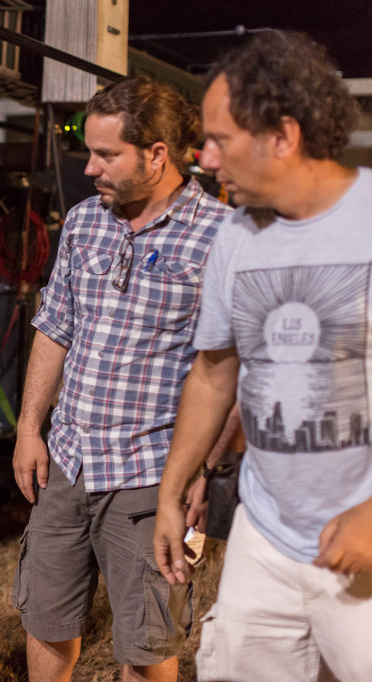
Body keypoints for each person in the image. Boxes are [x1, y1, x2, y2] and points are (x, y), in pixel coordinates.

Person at [153, 32, 372, 682]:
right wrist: (171, 492)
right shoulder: (235, 239)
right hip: (266, 538)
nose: (203, 156)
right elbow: (214, 372)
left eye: (220, 139)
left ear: (283, 135)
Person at [10, 76, 232, 682]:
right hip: (68, 461)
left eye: (107, 155)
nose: (89, 169)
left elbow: (231, 370)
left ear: (157, 154)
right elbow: (56, 327)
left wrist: (202, 470)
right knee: (47, 621)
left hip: (152, 473)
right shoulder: (85, 222)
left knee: (146, 641)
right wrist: (31, 426)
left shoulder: (220, 237)